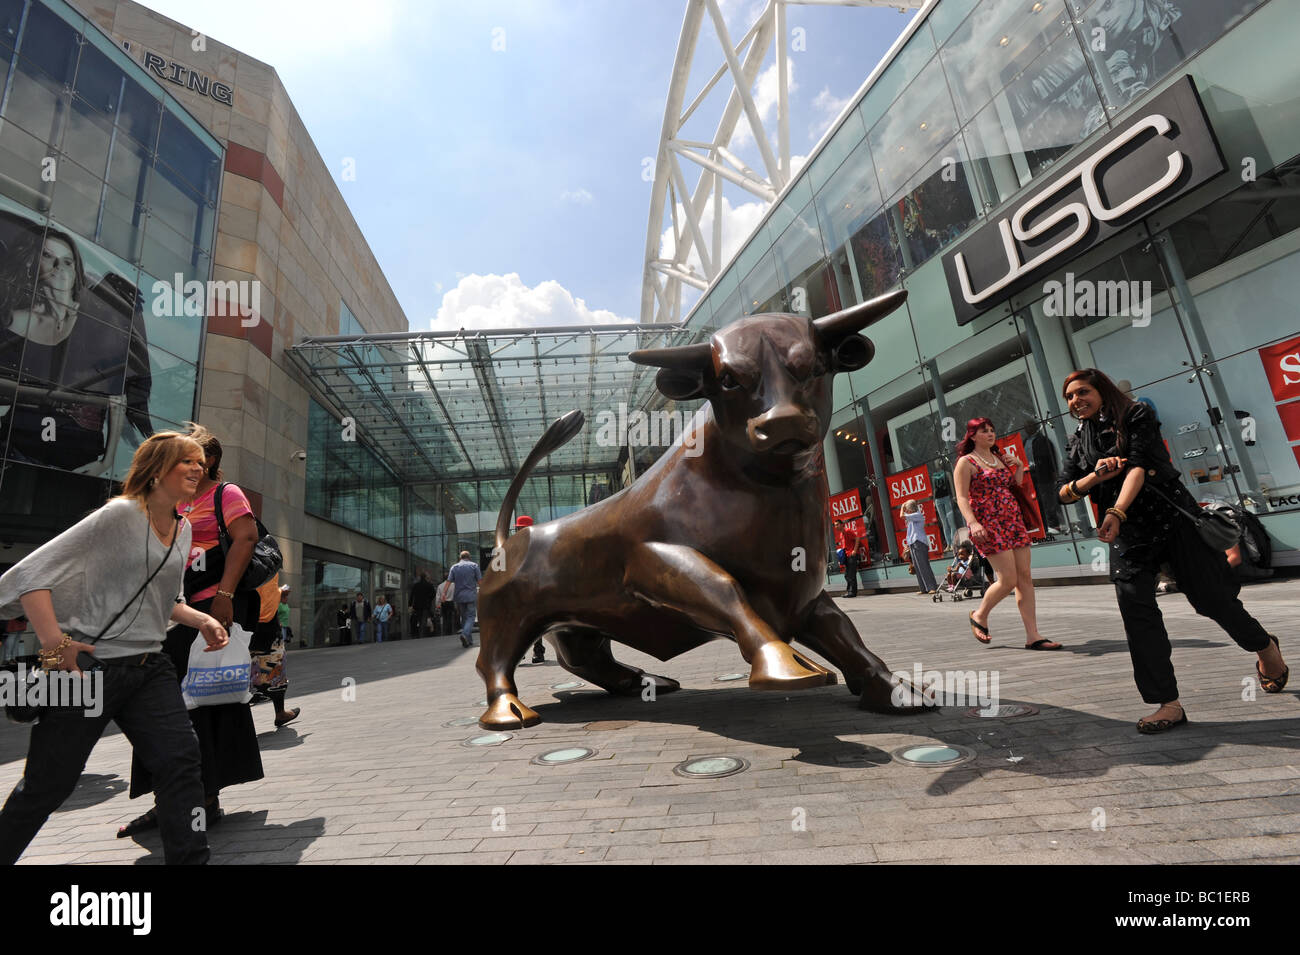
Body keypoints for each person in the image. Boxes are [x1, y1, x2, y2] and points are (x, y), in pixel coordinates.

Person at [0, 431, 225, 864]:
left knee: (181, 762)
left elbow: (166, 602)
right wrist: (53, 643)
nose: (199, 468)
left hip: (149, 667)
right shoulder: (119, 515)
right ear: (157, 469)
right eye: (187, 461)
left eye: (202, 462)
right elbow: (30, 575)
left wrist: (202, 618)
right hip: (88, 669)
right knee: (50, 784)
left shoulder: (183, 529)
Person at [1057, 369, 1287, 733]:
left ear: (1101, 390)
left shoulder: (1136, 415)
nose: (1075, 401)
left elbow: (1139, 467)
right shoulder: (1078, 440)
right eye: (1069, 396)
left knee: (1213, 601)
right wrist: (1095, 478)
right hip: (1129, 536)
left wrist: (1116, 509)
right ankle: (1168, 704)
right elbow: (1063, 491)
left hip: (1173, 523)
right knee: (1137, 610)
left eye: (1082, 392)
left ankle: (1265, 647)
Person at [118, 426, 265, 838]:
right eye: (181, 459)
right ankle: (165, 800)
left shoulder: (224, 494)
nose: (188, 466)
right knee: (160, 708)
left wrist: (224, 595)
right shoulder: (168, 501)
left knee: (202, 702)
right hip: (163, 614)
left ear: (210, 462)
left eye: (194, 459)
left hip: (202, 609)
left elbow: (246, 537)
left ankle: (203, 800)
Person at [0, 221, 153, 472]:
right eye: (48, 257)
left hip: (81, 451)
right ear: (33, 263)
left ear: (76, 268)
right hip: (19, 445)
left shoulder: (99, 320)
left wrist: (107, 461)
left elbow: (117, 396)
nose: (59, 267)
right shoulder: (15, 320)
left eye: (68, 261)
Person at [954, 417, 1061, 651]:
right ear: (972, 435)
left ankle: (1033, 635)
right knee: (1008, 580)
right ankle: (980, 615)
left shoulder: (999, 458)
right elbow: (962, 497)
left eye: (992, 430)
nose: (990, 434)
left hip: (1013, 521)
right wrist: (972, 523)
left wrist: (1020, 467)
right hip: (988, 524)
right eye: (984, 431)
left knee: (1025, 578)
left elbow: (1013, 487)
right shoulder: (966, 461)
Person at [250, 578, 298, 728]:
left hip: (247, 620)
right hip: (264, 621)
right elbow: (265, 594)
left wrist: (278, 593)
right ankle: (280, 713)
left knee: (249, 668)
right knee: (275, 667)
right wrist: (279, 593)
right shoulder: (260, 556)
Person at [901, 499, 938, 594]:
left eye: (907, 509)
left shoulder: (917, 515)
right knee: (917, 567)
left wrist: (902, 506)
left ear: (911, 509)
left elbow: (902, 516)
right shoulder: (912, 517)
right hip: (913, 542)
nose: (906, 510)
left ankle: (932, 587)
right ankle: (923, 588)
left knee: (924, 565)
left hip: (919, 542)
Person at [447, 551, 481, 648]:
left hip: (459, 597)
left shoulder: (454, 567)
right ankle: (465, 634)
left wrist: (444, 593)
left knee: (464, 618)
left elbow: (448, 581)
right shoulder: (474, 566)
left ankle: (468, 641)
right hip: (470, 596)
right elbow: (479, 581)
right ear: (469, 557)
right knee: (471, 617)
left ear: (460, 557)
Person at [834, 519, 862, 597]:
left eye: (837, 524)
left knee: (851, 574)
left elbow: (857, 539)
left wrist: (854, 551)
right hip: (846, 556)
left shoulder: (848, 531)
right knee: (847, 574)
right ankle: (849, 591)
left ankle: (852, 592)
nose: (836, 526)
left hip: (851, 555)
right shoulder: (841, 534)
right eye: (835, 525)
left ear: (842, 524)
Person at [409, 570, 435, 639]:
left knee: (419, 620)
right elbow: (433, 594)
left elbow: (412, 595)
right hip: (425, 605)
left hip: (417, 606)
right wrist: (429, 600)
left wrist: (410, 605)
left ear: (420, 577)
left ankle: (419, 634)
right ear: (426, 577)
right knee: (423, 620)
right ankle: (422, 635)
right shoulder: (429, 585)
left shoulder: (416, 585)